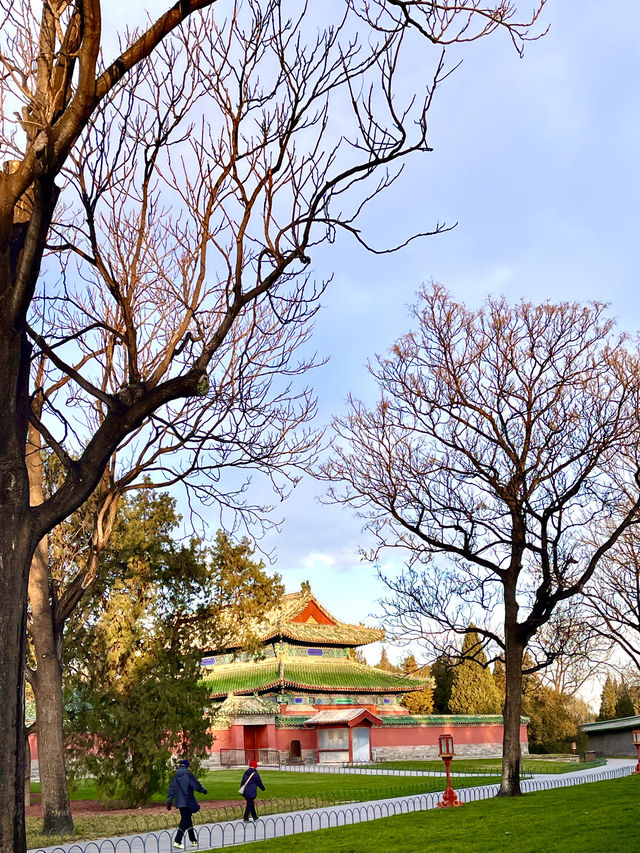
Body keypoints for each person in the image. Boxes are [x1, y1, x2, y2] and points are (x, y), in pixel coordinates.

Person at [167, 759, 207, 849]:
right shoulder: (188, 775)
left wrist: (169, 801)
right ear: (187, 766)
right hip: (188, 801)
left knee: (187, 820)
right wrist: (203, 790)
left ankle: (193, 840)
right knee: (184, 821)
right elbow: (197, 785)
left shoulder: (176, 776)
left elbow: (171, 790)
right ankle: (177, 841)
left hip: (180, 803)